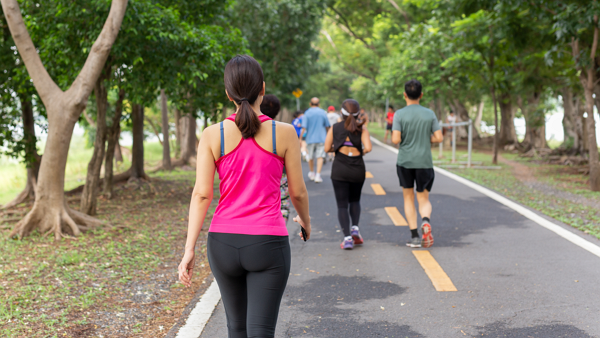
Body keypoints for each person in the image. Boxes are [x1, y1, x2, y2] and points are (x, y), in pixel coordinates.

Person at [178, 55, 311, 338]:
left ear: (228, 93)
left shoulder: (212, 134)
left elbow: (202, 194)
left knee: (236, 329)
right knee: (261, 331)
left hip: (222, 244)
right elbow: (297, 191)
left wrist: (189, 249)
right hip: (268, 244)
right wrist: (306, 222)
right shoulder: (284, 133)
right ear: (262, 88)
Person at [391, 79, 443, 248]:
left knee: (408, 197)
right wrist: (424, 138)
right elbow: (439, 138)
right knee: (423, 198)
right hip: (424, 162)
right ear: (421, 95)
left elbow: (395, 139)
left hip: (405, 161)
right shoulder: (430, 114)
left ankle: (414, 237)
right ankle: (425, 221)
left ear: (404, 95)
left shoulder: (399, 114)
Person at [325, 99, 372, 250]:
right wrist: (358, 152)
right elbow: (369, 148)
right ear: (358, 113)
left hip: (340, 169)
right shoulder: (362, 129)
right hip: (357, 169)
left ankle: (347, 239)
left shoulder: (335, 128)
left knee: (342, 205)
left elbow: (327, 148)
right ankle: (355, 229)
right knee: (355, 200)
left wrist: (339, 149)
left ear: (342, 112)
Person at [261, 94, 291, 222]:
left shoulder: (246, 129)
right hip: (280, 176)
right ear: (277, 111)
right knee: (282, 205)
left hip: (256, 176)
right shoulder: (284, 131)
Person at [300, 97, 330, 183]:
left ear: (310, 104)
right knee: (320, 156)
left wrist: (300, 138)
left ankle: (312, 173)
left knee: (311, 156)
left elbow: (303, 127)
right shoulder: (322, 113)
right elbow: (327, 126)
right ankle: (318, 175)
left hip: (310, 139)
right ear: (319, 104)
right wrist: (329, 136)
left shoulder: (307, 113)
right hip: (321, 138)